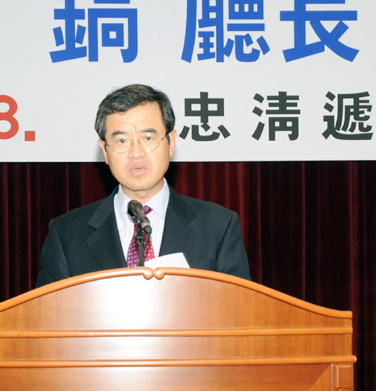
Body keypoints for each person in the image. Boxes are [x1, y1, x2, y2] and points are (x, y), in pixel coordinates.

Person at [35, 84, 251, 287]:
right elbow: (48, 313)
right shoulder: (66, 234)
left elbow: (240, 309)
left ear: (171, 143)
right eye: (121, 141)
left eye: (148, 138)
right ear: (105, 151)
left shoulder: (218, 226)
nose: (136, 153)